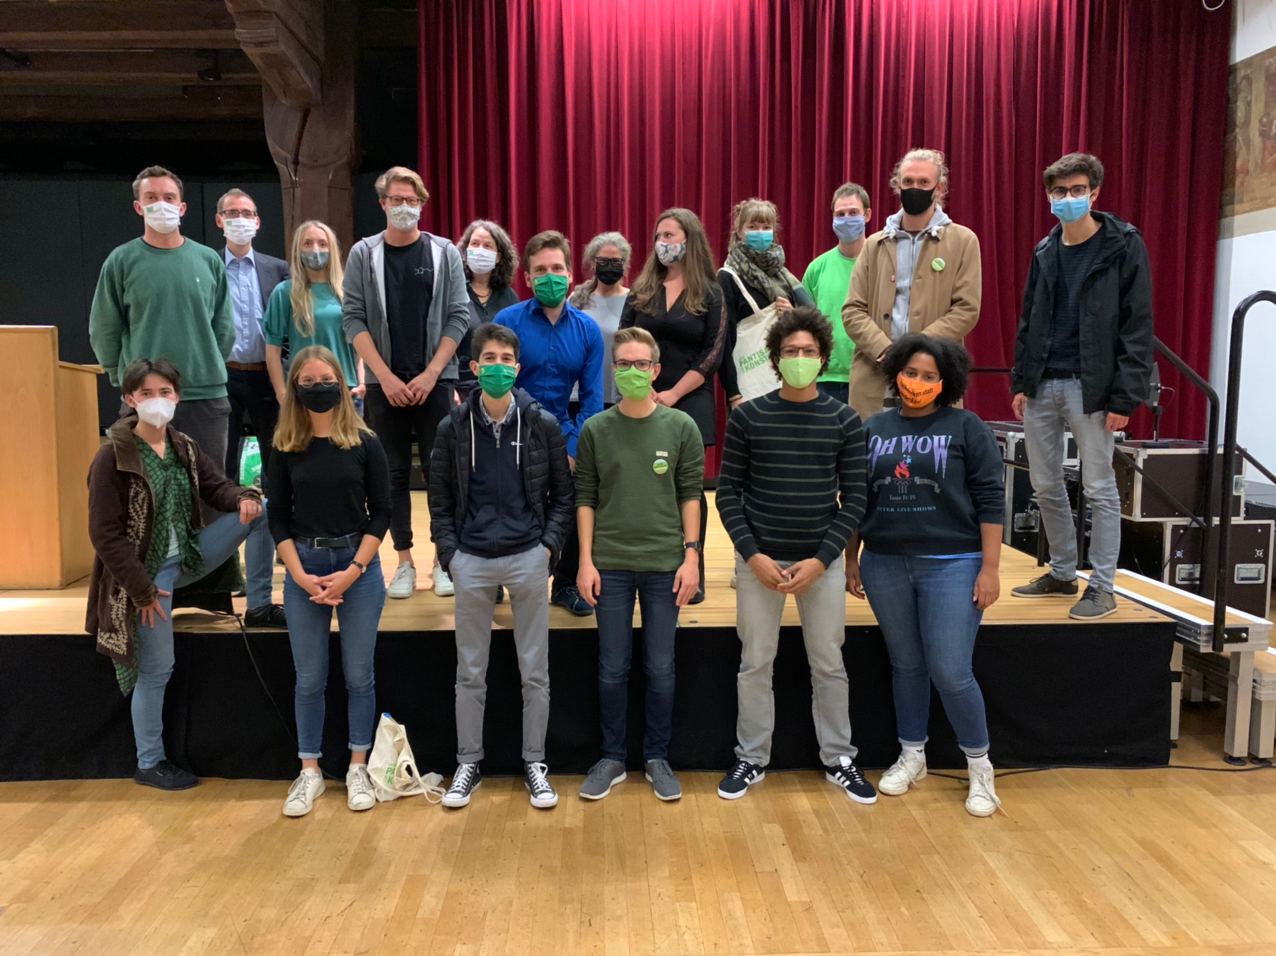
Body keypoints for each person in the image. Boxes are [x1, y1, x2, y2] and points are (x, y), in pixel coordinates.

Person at [714, 308, 874, 804]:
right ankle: (751, 757)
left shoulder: (844, 419)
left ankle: (839, 757)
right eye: (790, 351)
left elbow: (856, 499)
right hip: (759, 563)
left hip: (819, 564)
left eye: (808, 351)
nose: (800, 358)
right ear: (775, 359)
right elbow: (727, 493)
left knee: (828, 664)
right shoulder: (749, 417)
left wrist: (823, 560)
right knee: (755, 663)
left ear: (823, 358)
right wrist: (753, 556)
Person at [86, 358, 265, 791]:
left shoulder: (183, 445)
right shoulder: (112, 455)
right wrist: (143, 592)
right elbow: (105, 535)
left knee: (262, 510)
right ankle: (149, 762)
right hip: (145, 580)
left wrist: (243, 496)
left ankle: (262, 604)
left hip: (188, 557)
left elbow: (216, 487)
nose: (157, 401)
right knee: (157, 670)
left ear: (177, 397)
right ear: (129, 399)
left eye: (164, 392)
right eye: (146, 393)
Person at [845, 334, 1005, 817]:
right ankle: (912, 754)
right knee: (907, 665)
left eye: (929, 376)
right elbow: (857, 499)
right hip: (885, 562)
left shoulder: (966, 427)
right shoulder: (874, 428)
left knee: (951, 671)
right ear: (895, 372)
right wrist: (852, 558)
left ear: (945, 381)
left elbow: (990, 498)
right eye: (911, 372)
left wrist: (990, 568)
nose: (917, 382)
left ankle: (980, 767)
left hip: (953, 563)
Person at [429, 324, 574, 810]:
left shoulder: (542, 424)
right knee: (470, 671)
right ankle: (468, 762)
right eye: (488, 358)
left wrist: (547, 549)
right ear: (474, 367)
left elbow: (563, 495)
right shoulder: (452, 428)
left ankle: (535, 761)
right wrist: (451, 556)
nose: (497, 366)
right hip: (471, 560)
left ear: (517, 367)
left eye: (506, 359)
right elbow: (439, 499)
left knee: (535, 671)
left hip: (527, 557)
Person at [1010, 153, 1154, 620]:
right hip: (1042, 383)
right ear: (1048, 196)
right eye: (1059, 191)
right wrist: (1021, 380)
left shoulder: (1123, 244)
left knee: (1099, 487)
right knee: (1045, 484)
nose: (1068, 198)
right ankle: (1062, 572)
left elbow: (1137, 326)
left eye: (1076, 190)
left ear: (1094, 193)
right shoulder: (1045, 250)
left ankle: (1103, 588)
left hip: (1092, 386)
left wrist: (1125, 396)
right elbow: (1029, 320)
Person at [575, 327, 704, 802]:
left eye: (641, 364)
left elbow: (691, 495)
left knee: (661, 666)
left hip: (665, 564)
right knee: (612, 667)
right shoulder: (595, 429)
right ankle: (612, 757)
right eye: (624, 364)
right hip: (608, 564)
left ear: (656, 370)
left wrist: (692, 557)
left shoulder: (681, 427)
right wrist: (585, 561)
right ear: (614, 370)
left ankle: (656, 757)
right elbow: (585, 498)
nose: (632, 371)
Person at [268, 346, 392, 818]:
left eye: (326, 380)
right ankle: (310, 771)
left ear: (341, 384)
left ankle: (358, 765)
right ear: (295, 388)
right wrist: (299, 575)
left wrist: (354, 570)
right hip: (305, 566)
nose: (318, 387)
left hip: (358, 567)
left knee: (359, 675)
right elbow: (277, 518)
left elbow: (381, 513)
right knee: (309, 678)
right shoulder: (285, 446)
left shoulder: (365, 442)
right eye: (308, 381)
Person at [343, 166, 470, 600]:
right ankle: (403, 561)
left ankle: (442, 561)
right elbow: (353, 318)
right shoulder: (363, 254)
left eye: (411, 200)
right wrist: (384, 376)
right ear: (382, 204)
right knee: (391, 473)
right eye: (396, 199)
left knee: (441, 472)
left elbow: (459, 315)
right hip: (384, 385)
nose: (404, 207)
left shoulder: (444, 252)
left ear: (422, 205)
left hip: (435, 381)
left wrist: (431, 373)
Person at [90, 166, 235, 474]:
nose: (161, 204)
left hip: (204, 396)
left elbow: (224, 327)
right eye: (151, 197)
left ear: (182, 207)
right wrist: (125, 380)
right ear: (138, 206)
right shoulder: (121, 261)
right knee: (143, 485)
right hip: (144, 398)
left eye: (169, 197)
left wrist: (204, 364)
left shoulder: (208, 260)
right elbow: (104, 328)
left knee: (210, 487)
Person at [495, 230, 605, 616]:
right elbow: (498, 384)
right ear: (527, 277)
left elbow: (592, 399)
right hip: (512, 428)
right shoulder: (507, 321)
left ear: (571, 274)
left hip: (562, 431)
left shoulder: (588, 330)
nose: (550, 276)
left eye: (557, 268)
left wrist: (574, 449)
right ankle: (500, 578)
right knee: (505, 502)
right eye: (540, 270)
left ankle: (565, 584)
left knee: (575, 499)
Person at [620, 208, 726, 602]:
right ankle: (650, 567)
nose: (663, 242)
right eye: (659, 236)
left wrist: (673, 395)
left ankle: (692, 569)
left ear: (690, 240)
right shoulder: (642, 289)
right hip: (641, 395)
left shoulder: (711, 292)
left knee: (688, 487)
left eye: (671, 235)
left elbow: (713, 353)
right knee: (646, 483)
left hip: (689, 398)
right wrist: (645, 389)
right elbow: (624, 339)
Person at [842, 148, 982, 423]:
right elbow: (852, 310)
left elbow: (966, 309)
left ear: (939, 188)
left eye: (923, 182)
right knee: (872, 448)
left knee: (931, 448)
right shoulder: (873, 244)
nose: (914, 188)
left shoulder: (963, 241)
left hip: (934, 373)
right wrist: (886, 351)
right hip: (875, 376)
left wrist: (917, 351)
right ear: (897, 185)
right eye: (908, 182)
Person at [215, 188, 289, 629]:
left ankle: (279, 548)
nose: (240, 219)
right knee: (221, 472)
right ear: (219, 220)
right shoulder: (208, 266)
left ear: (258, 222)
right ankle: (228, 568)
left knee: (278, 465)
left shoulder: (278, 269)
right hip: (222, 376)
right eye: (232, 213)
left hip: (267, 376)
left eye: (247, 213)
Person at [264, 220, 364, 408]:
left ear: (332, 249)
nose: (315, 249)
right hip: (304, 390)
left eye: (322, 243)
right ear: (298, 249)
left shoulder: (348, 291)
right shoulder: (285, 292)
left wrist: (362, 382)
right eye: (307, 243)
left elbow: (360, 345)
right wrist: (282, 394)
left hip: (347, 390)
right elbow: (272, 350)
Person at [718, 198, 799, 409]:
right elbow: (724, 341)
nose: (760, 232)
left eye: (765, 227)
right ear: (739, 232)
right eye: (753, 227)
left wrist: (793, 314)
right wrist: (733, 394)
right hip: (747, 387)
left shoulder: (782, 274)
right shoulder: (728, 277)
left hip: (787, 380)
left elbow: (807, 325)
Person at [802, 182, 872, 404]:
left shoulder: (882, 264)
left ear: (867, 215)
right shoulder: (817, 268)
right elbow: (805, 324)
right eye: (840, 214)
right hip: (825, 378)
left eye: (853, 213)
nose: (846, 219)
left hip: (871, 374)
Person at [455, 219, 520, 398]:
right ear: (465, 252)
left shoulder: (509, 296)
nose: (480, 250)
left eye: (487, 246)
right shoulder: (453, 291)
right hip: (458, 387)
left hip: (498, 386)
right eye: (475, 244)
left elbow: (514, 345)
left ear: (498, 256)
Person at [570, 231, 633, 408]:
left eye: (616, 262)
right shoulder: (576, 300)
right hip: (581, 395)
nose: (609, 266)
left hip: (620, 393)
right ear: (593, 263)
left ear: (625, 265)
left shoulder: (635, 301)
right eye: (603, 261)